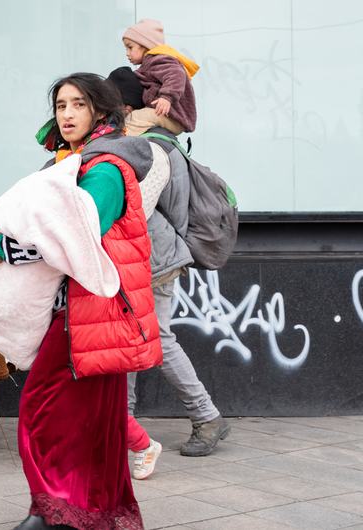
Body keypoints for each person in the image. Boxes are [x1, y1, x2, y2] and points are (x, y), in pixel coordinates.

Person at [0, 73, 162, 529]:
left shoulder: (104, 168)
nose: (66, 114)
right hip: (81, 313)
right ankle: (81, 512)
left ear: (100, 112)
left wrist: (5, 249)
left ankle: (51, 510)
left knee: (39, 411)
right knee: (92, 424)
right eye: (61, 105)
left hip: (90, 315)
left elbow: (77, 240)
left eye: (78, 105)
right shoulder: (73, 162)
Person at [107, 69, 232, 477]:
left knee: (156, 338)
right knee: (129, 341)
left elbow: (136, 209)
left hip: (154, 259)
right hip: (149, 256)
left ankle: (207, 416)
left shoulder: (150, 147)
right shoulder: (156, 143)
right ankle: (123, 427)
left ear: (126, 107)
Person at [121, 19, 200, 137]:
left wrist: (167, 97)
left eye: (130, 47)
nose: (127, 53)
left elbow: (177, 74)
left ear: (145, 45)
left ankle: (120, 141)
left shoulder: (159, 59)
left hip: (173, 117)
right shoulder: (150, 62)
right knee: (136, 115)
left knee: (135, 118)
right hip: (166, 115)